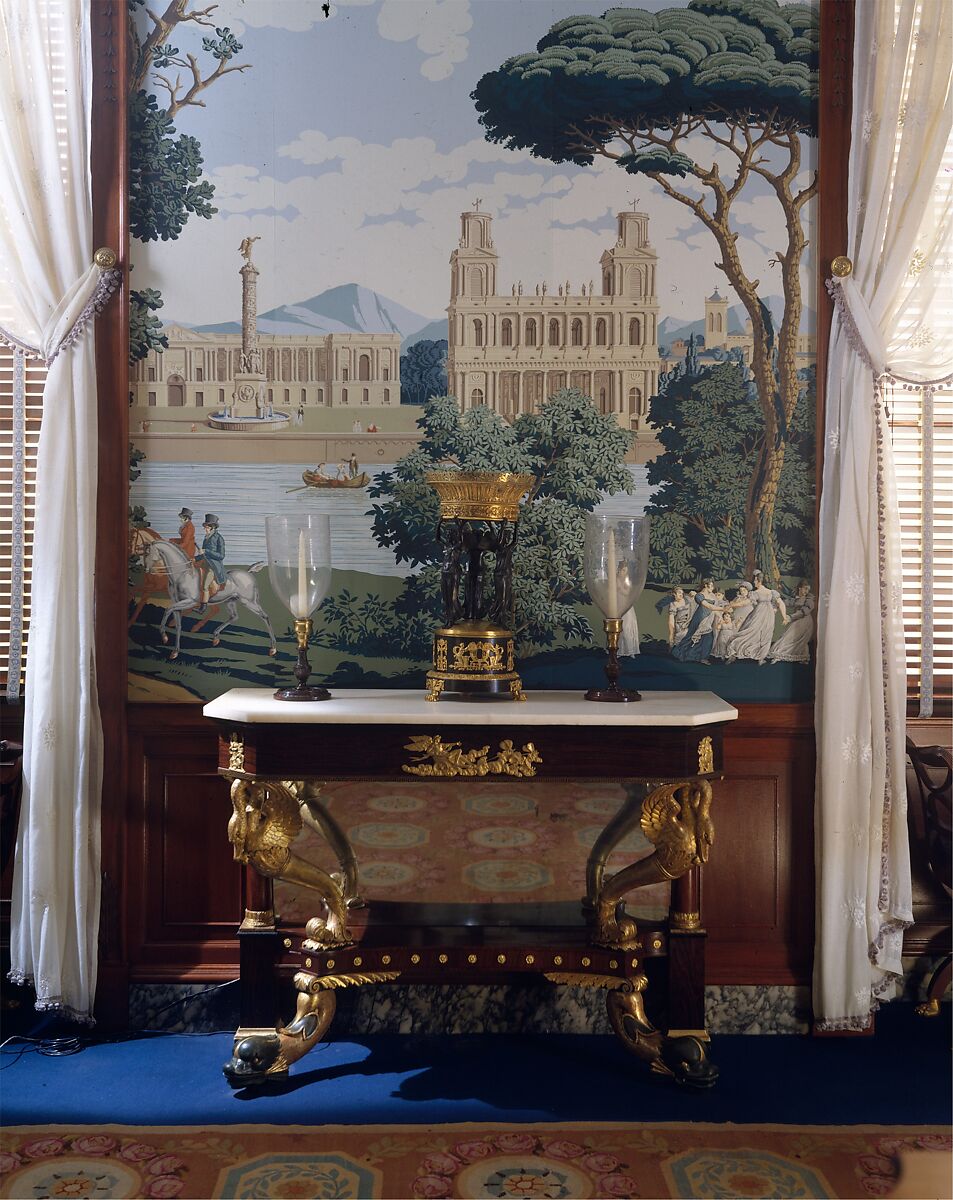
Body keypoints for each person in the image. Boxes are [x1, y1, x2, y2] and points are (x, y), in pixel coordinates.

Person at [724, 569, 789, 664]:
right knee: (752, 632)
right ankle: (736, 652)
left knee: (765, 634)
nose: (754, 582)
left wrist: (784, 617)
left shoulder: (767, 592)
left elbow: (780, 603)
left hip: (764, 614)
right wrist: (784, 617)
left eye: (755, 580)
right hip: (763, 614)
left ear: (759, 581)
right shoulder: (764, 592)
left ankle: (760, 657)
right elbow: (781, 603)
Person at [767, 580, 815, 663]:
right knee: (789, 637)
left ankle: (780, 654)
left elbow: (804, 611)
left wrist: (790, 617)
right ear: (800, 588)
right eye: (805, 589)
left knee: (792, 638)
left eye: (808, 589)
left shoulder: (809, 599)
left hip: (804, 621)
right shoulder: (797, 598)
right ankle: (780, 655)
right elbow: (787, 602)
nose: (806, 591)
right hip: (797, 620)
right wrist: (778, 604)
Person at [195, 514, 226, 602]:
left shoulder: (219, 538)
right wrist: (195, 558)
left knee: (204, 586)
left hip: (212, 566)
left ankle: (203, 606)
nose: (205, 529)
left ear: (212, 527)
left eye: (207, 527)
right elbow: (203, 555)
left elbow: (221, 556)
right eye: (205, 527)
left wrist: (206, 551)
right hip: (204, 563)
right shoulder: (206, 538)